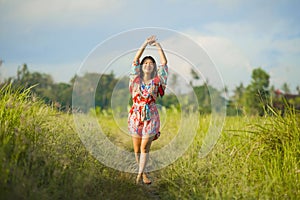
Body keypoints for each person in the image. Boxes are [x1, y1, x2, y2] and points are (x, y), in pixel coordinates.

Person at [128, 35, 168, 184]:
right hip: (136, 116)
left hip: (151, 116)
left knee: (145, 147)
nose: (148, 65)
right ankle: (143, 172)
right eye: (146, 63)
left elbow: (164, 63)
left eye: (151, 63)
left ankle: (139, 176)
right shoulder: (135, 79)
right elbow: (135, 61)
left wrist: (158, 46)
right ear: (142, 66)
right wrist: (145, 43)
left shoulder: (158, 81)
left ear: (154, 67)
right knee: (137, 149)